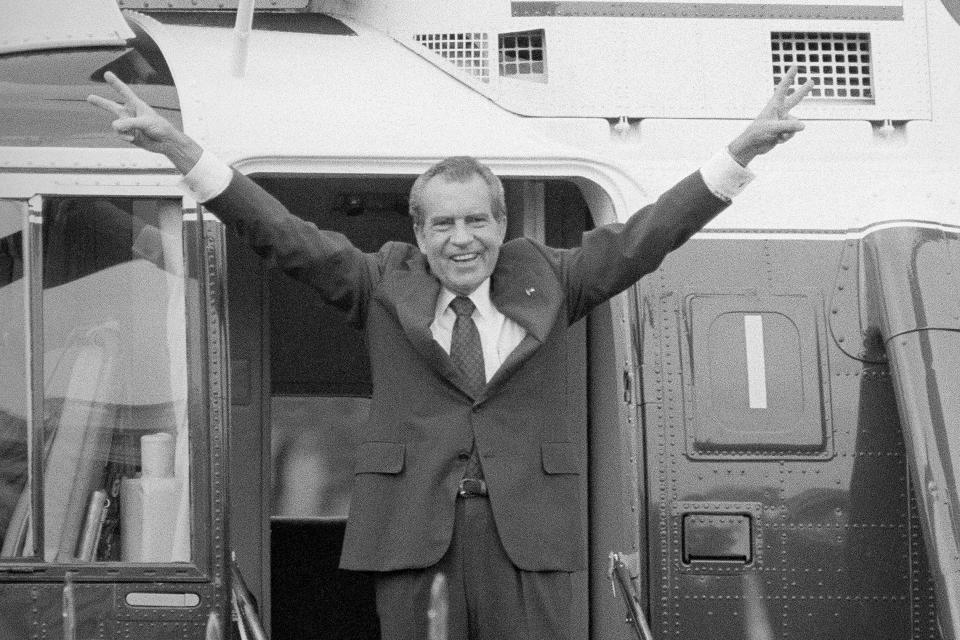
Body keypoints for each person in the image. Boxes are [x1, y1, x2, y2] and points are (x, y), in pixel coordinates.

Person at [89, 67, 812, 639]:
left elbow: (649, 236)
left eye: (475, 221)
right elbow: (279, 232)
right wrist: (180, 148)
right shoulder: (378, 282)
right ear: (419, 230)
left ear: (501, 225)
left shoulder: (556, 278)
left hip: (529, 543)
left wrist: (741, 151)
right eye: (443, 224)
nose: (460, 239)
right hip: (414, 538)